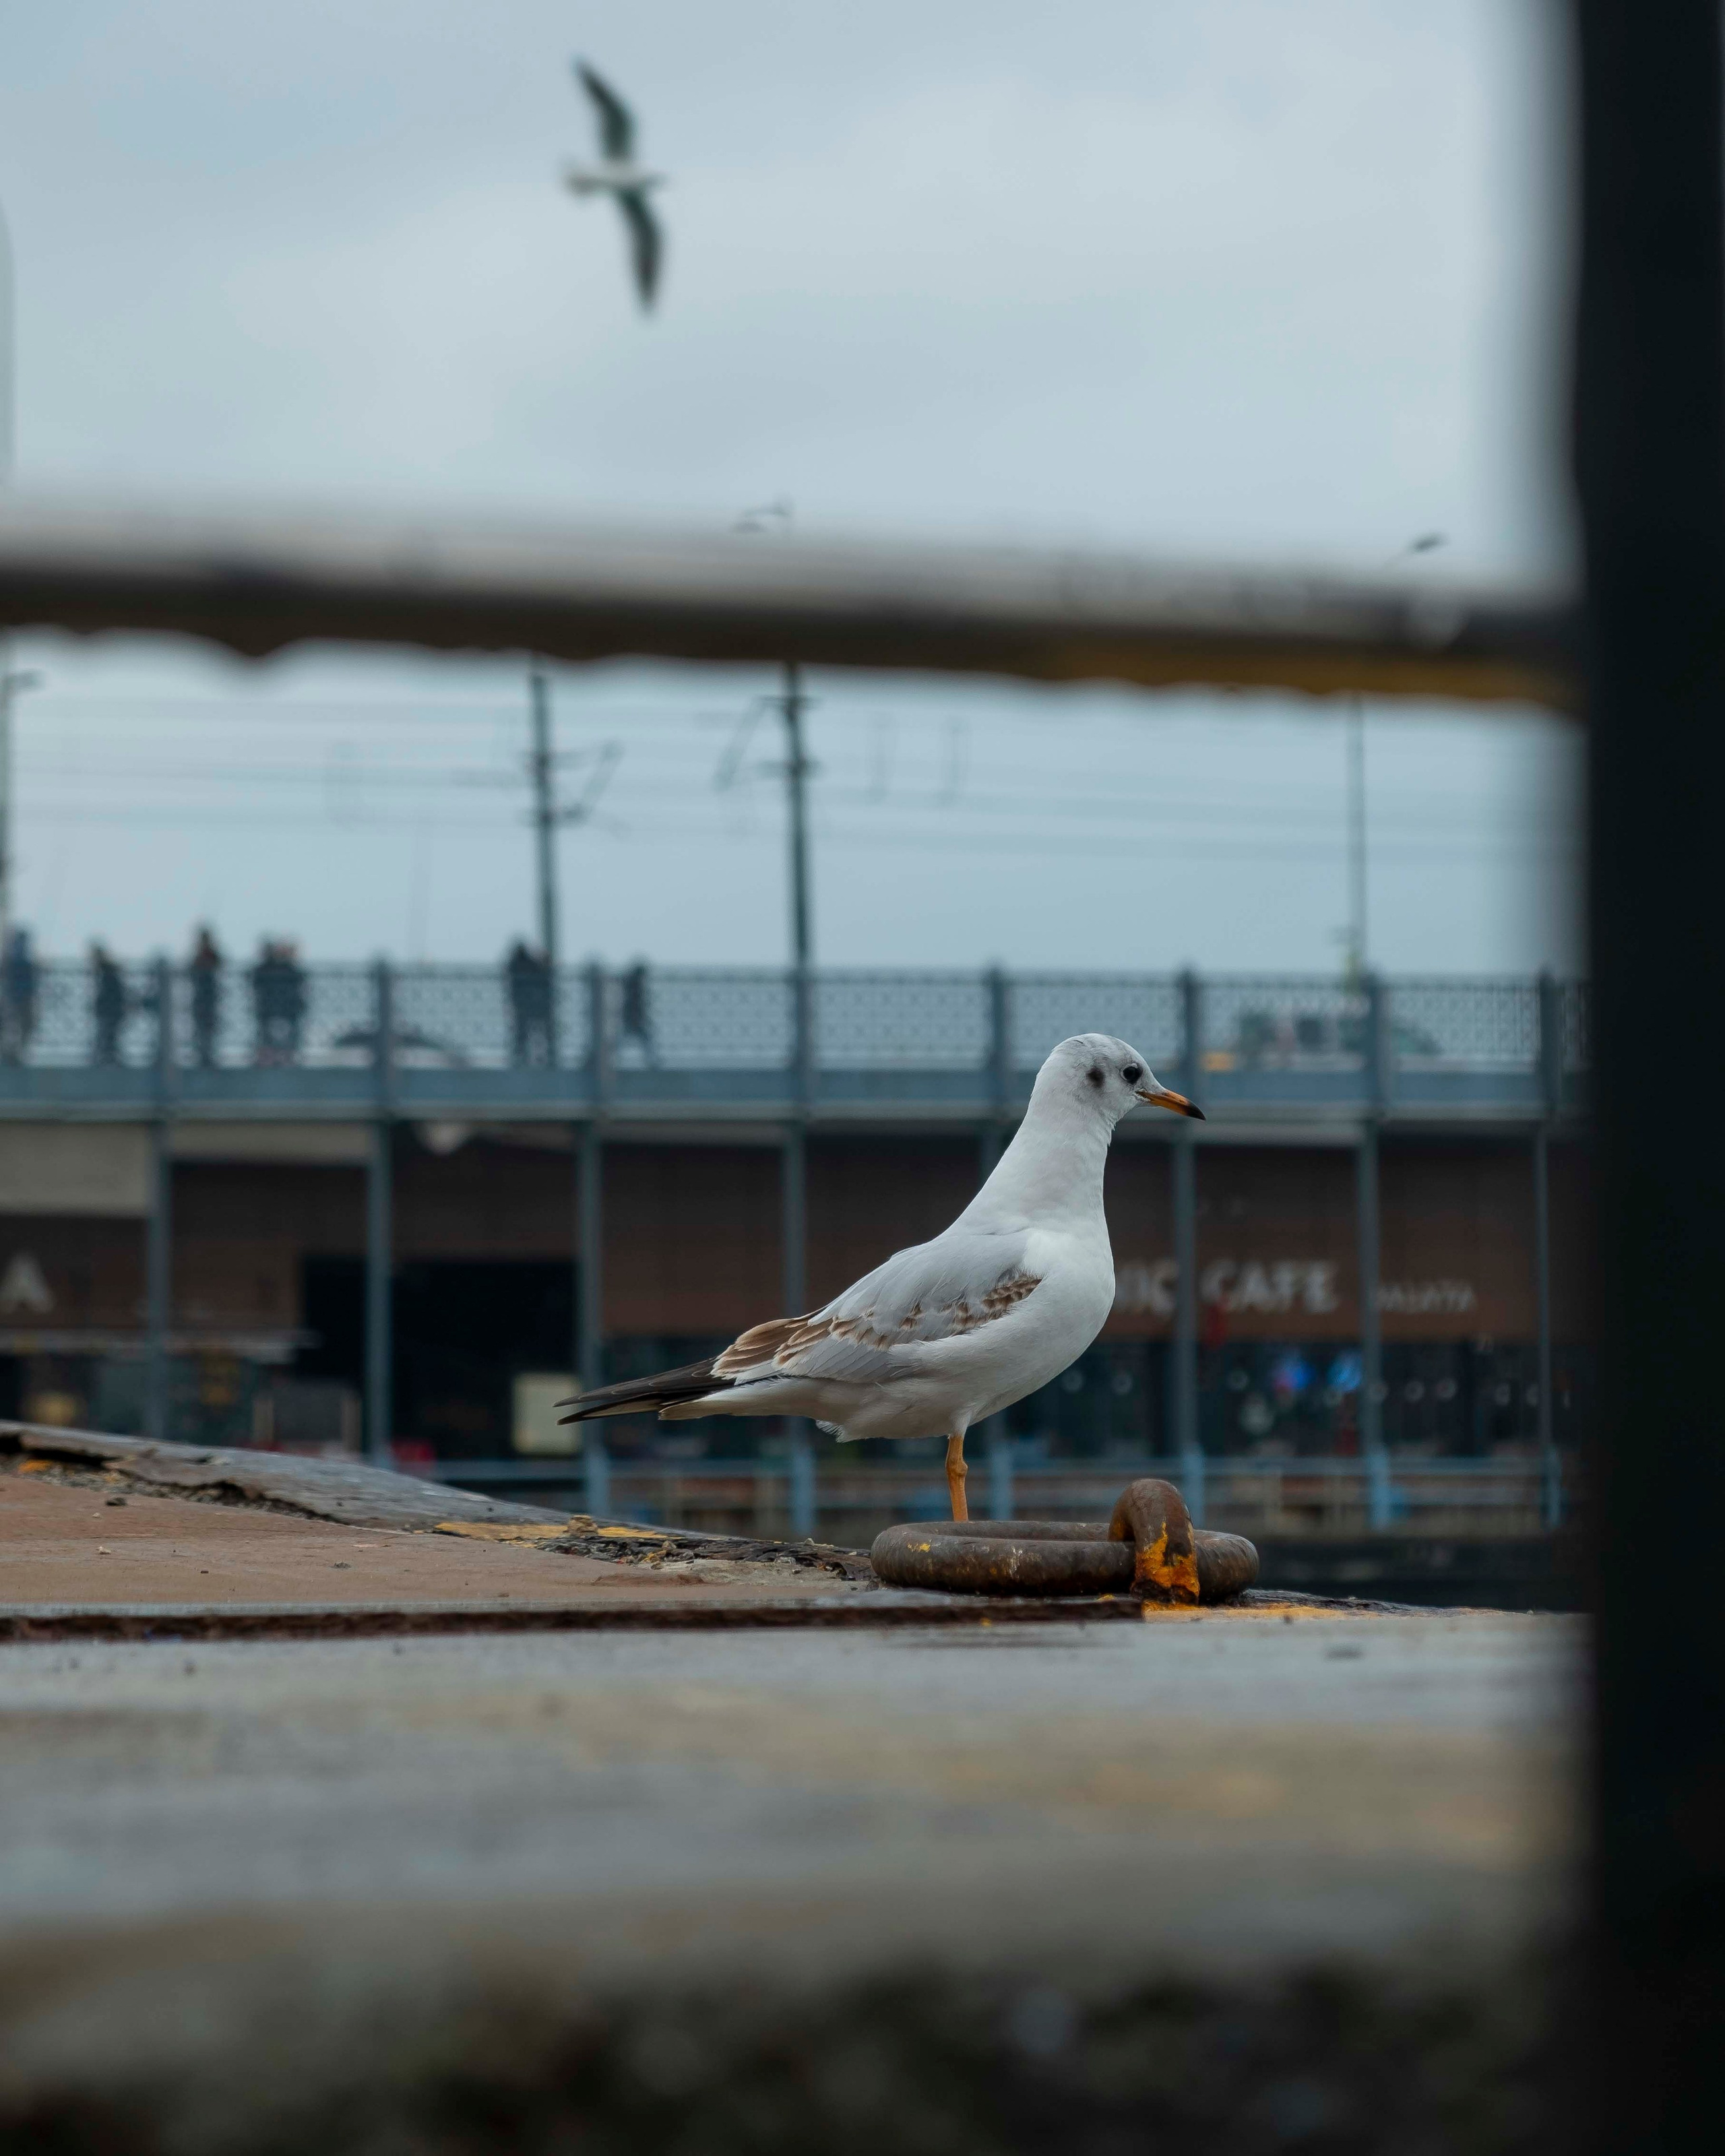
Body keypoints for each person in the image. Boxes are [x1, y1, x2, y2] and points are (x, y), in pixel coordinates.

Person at [250, 939, 307, 1065]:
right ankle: (276, 1056)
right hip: (276, 1006)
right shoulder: (284, 969)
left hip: (280, 1006)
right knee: (269, 1034)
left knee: (273, 1034)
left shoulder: (283, 969)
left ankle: (279, 1056)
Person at [505, 940, 553, 1066]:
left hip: (523, 1004)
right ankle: (544, 1056)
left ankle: (521, 1057)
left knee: (523, 1033)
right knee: (540, 1032)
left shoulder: (515, 966)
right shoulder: (531, 965)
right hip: (536, 1004)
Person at [1, 926, 38, 1064]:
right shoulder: (17, 959)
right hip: (18, 999)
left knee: (20, 1027)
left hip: (19, 998)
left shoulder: (15, 958)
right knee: (17, 1027)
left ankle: (14, 1053)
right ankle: (13, 1053)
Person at [188, 926, 222, 1069]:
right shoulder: (198, 956)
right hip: (201, 998)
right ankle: (202, 1055)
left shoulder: (211, 954)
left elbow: (220, 962)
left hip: (210, 997)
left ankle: (208, 1055)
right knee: (200, 1028)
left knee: (210, 1028)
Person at [90, 942, 127, 1065]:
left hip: (111, 1010)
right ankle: (108, 1059)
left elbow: (110, 992)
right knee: (109, 1037)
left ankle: (106, 1059)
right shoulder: (108, 970)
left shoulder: (107, 971)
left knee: (108, 1036)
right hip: (111, 1010)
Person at [619, 959, 655, 1065]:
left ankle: (614, 1060)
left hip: (631, 1018)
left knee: (624, 1040)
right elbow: (638, 1006)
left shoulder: (630, 984)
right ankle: (652, 1061)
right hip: (634, 1018)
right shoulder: (636, 987)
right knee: (644, 1039)